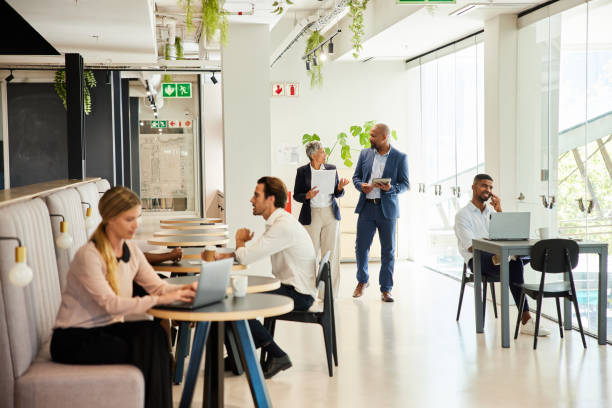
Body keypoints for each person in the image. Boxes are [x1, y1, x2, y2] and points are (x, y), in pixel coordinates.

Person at [50, 186, 198, 408]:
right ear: (110, 218)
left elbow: (157, 286)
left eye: (137, 217)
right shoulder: (89, 255)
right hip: (73, 339)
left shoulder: (130, 249)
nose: (136, 225)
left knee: (155, 335)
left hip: (105, 329)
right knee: (149, 347)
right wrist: (160, 300)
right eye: (129, 219)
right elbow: (112, 305)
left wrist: (187, 290)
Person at [214, 176, 317, 379]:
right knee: (231, 298)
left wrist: (238, 241)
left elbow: (248, 255)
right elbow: (250, 254)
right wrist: (236, 252)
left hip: (298, 294)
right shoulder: (278, 222)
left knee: (233, 301)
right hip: (292, 287)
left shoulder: (282, 226)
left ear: (271, 199)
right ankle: (238, 356)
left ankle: (276, 354)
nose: (252, 200)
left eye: (256, 195)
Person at [454, 174, 549, 336]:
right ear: (474, 187)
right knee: (513, 262)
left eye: (491, 187)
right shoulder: (463, 215)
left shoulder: (492, 212)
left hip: (500, 258)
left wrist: (499, 210)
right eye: (484, 186)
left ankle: (505, 258)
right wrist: (498, 252)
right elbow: (471, 247)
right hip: (477, 260)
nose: (488, 190)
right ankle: (526, 319)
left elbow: (508, 234)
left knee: (520, 259)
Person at [352, 123, 409, 302]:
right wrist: (361, 186)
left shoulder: (400, 157)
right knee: (361, 247)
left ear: (384, 137)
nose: (370, 138)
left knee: (388, 251)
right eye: (370, 135)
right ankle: (362, 281)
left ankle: (386, 289)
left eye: (373, 136)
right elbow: (356, 177)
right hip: (367, 207)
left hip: (387, 211)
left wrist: (391, 188)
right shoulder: (365, 154)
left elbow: (405, 184)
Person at [293, 140, 349, 298]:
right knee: (310, 254)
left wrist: (339, 188)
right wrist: (307, 195)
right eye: (322, 152)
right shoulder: (302, 171)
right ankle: (309, 292)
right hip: (312, 214)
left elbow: (338, 193)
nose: (325, 154)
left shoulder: (331, 169)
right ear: (313, 155)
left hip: (330, 214)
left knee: (331, 254)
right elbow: (297, 195)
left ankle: (328, 294)